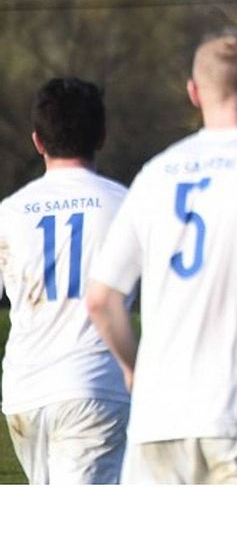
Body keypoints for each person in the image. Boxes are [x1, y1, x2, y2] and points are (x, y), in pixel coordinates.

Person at [85, 26, 237, 484]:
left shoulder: (154, 173)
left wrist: (136, 371)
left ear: (193, 92)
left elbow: (101, 299)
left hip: (157, 422)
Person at [0, 77, 130, 484]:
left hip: (24, 392)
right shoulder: (125, 203)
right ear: (102, 135)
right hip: (92, 388)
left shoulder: (10, 211)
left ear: (38, 141)